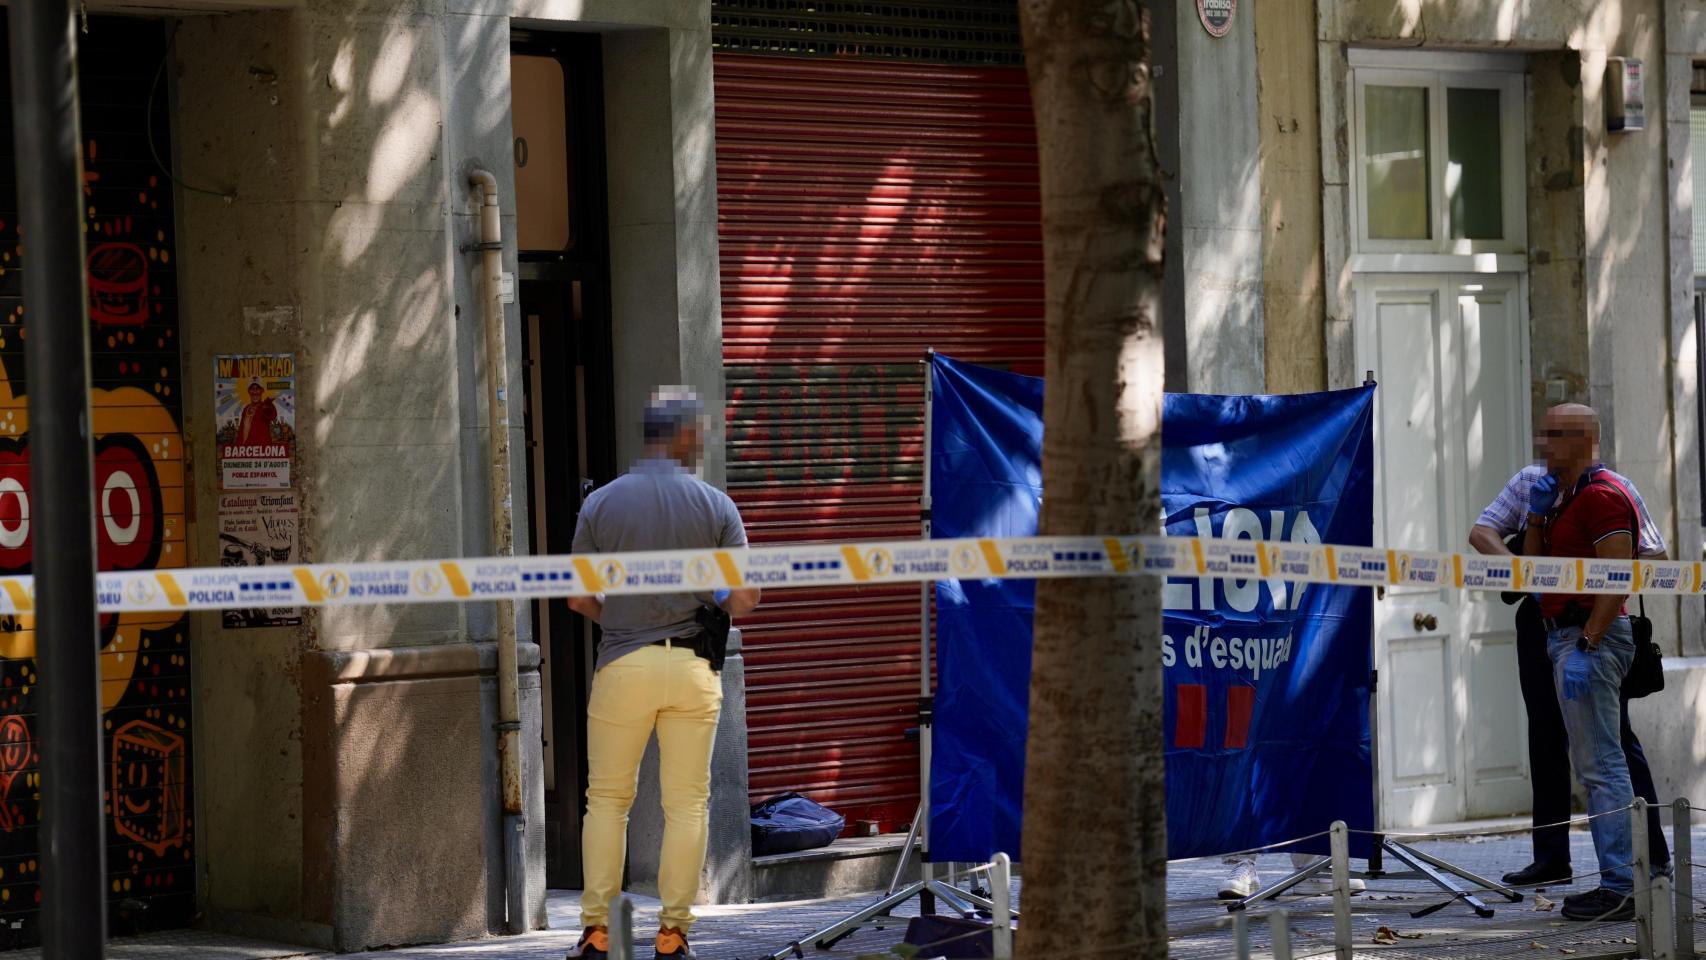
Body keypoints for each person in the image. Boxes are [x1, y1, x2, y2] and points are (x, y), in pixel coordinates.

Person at [564, 388, 761, 960]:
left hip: (623, 664)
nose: (704, 442)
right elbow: (745, 598)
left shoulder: (600, 504)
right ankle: (673, 936)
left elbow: (578, 598)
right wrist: (711, 592)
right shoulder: (717, 505)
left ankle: (598, 933)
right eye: (701, 432)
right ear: (684, 436)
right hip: (694, 669)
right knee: (688, 804)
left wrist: (621, 618)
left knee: (606, 800)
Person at [1469, 426, 1671, 892]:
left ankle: (1651, 857)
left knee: (1614, 743)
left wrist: (1600, 581)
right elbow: (1481, 532)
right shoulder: (1529, 483)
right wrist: (1527, 576)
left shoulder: (1611, 491)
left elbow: (1656, 560)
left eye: (1557, 437)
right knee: (1545, 736)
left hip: (1591, 625)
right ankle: (1551, 857)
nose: (1546, 447)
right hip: (1542, 622)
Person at [1517, 404, 1653, 921]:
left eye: (1553, 435)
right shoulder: (1563, 498)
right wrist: (1536, 517)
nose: (1543, 444)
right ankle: (1635, 876)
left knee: (1603, 767)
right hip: (1566, 637)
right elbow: (1535, 572)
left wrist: (1589, 645)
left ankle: (1622, 886)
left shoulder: (1601, 497)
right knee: (1597, 764)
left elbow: (1617, 577)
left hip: (1588, 638)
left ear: (1582, 441)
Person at [236, 378, 278, 446]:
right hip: (246, 449)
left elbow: (272, 414)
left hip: (262, 448)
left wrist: (268, 402)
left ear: (262, 391)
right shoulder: (246, 408)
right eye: (252, 389)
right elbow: (241, 431)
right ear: (249, 391)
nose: (255, 392)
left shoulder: (265, 406)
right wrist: (238, 446)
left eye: (258, 389)